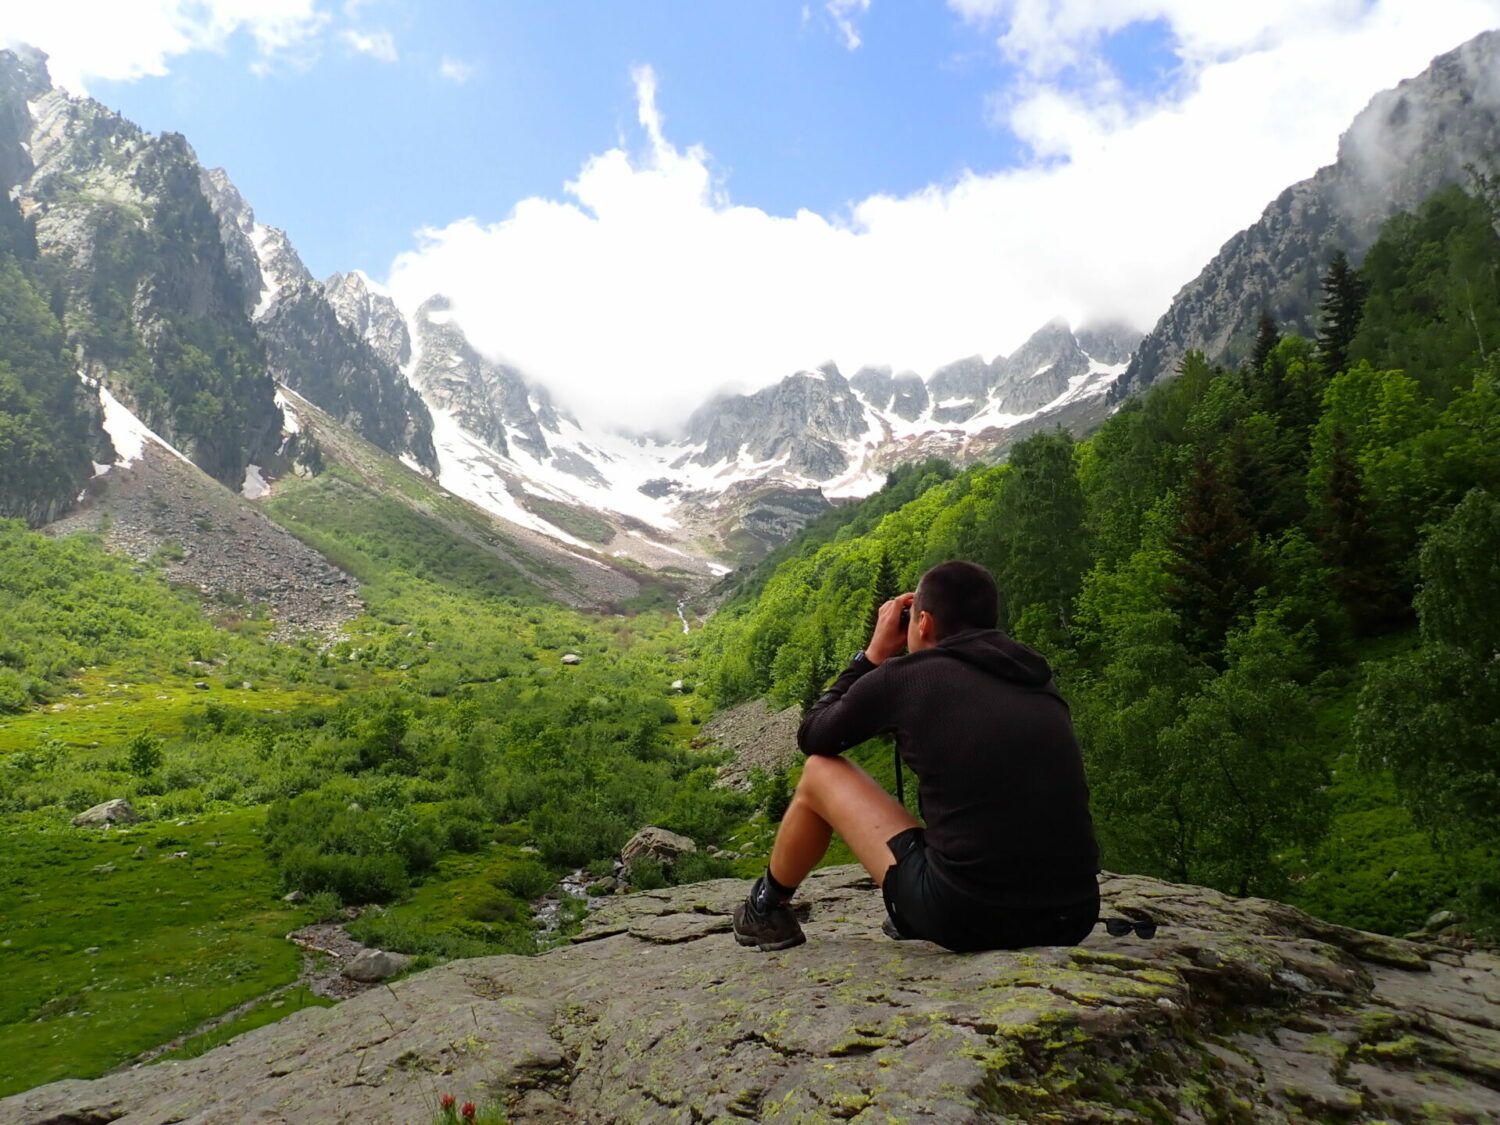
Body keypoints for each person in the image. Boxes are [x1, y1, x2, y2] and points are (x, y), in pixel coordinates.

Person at [732, 560, 1100, 953]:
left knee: (820, 771)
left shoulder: (909, 676)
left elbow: (814, 735)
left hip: (967, 915)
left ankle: (765, 907)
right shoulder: (1035, 676)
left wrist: (871, 656)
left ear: (922, 622)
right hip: (1073, 915)